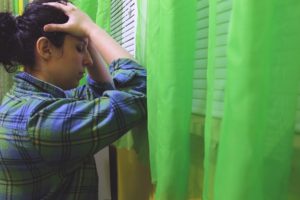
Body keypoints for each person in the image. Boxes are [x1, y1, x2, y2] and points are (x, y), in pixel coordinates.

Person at [0, 0, 147, 199]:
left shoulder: (25, 102)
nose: (88, 60)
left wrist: (85, 37)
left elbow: (100, 92)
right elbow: (139, 88)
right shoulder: (40, 120)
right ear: (45, 49)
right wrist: (90, 28)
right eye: (79, 49)